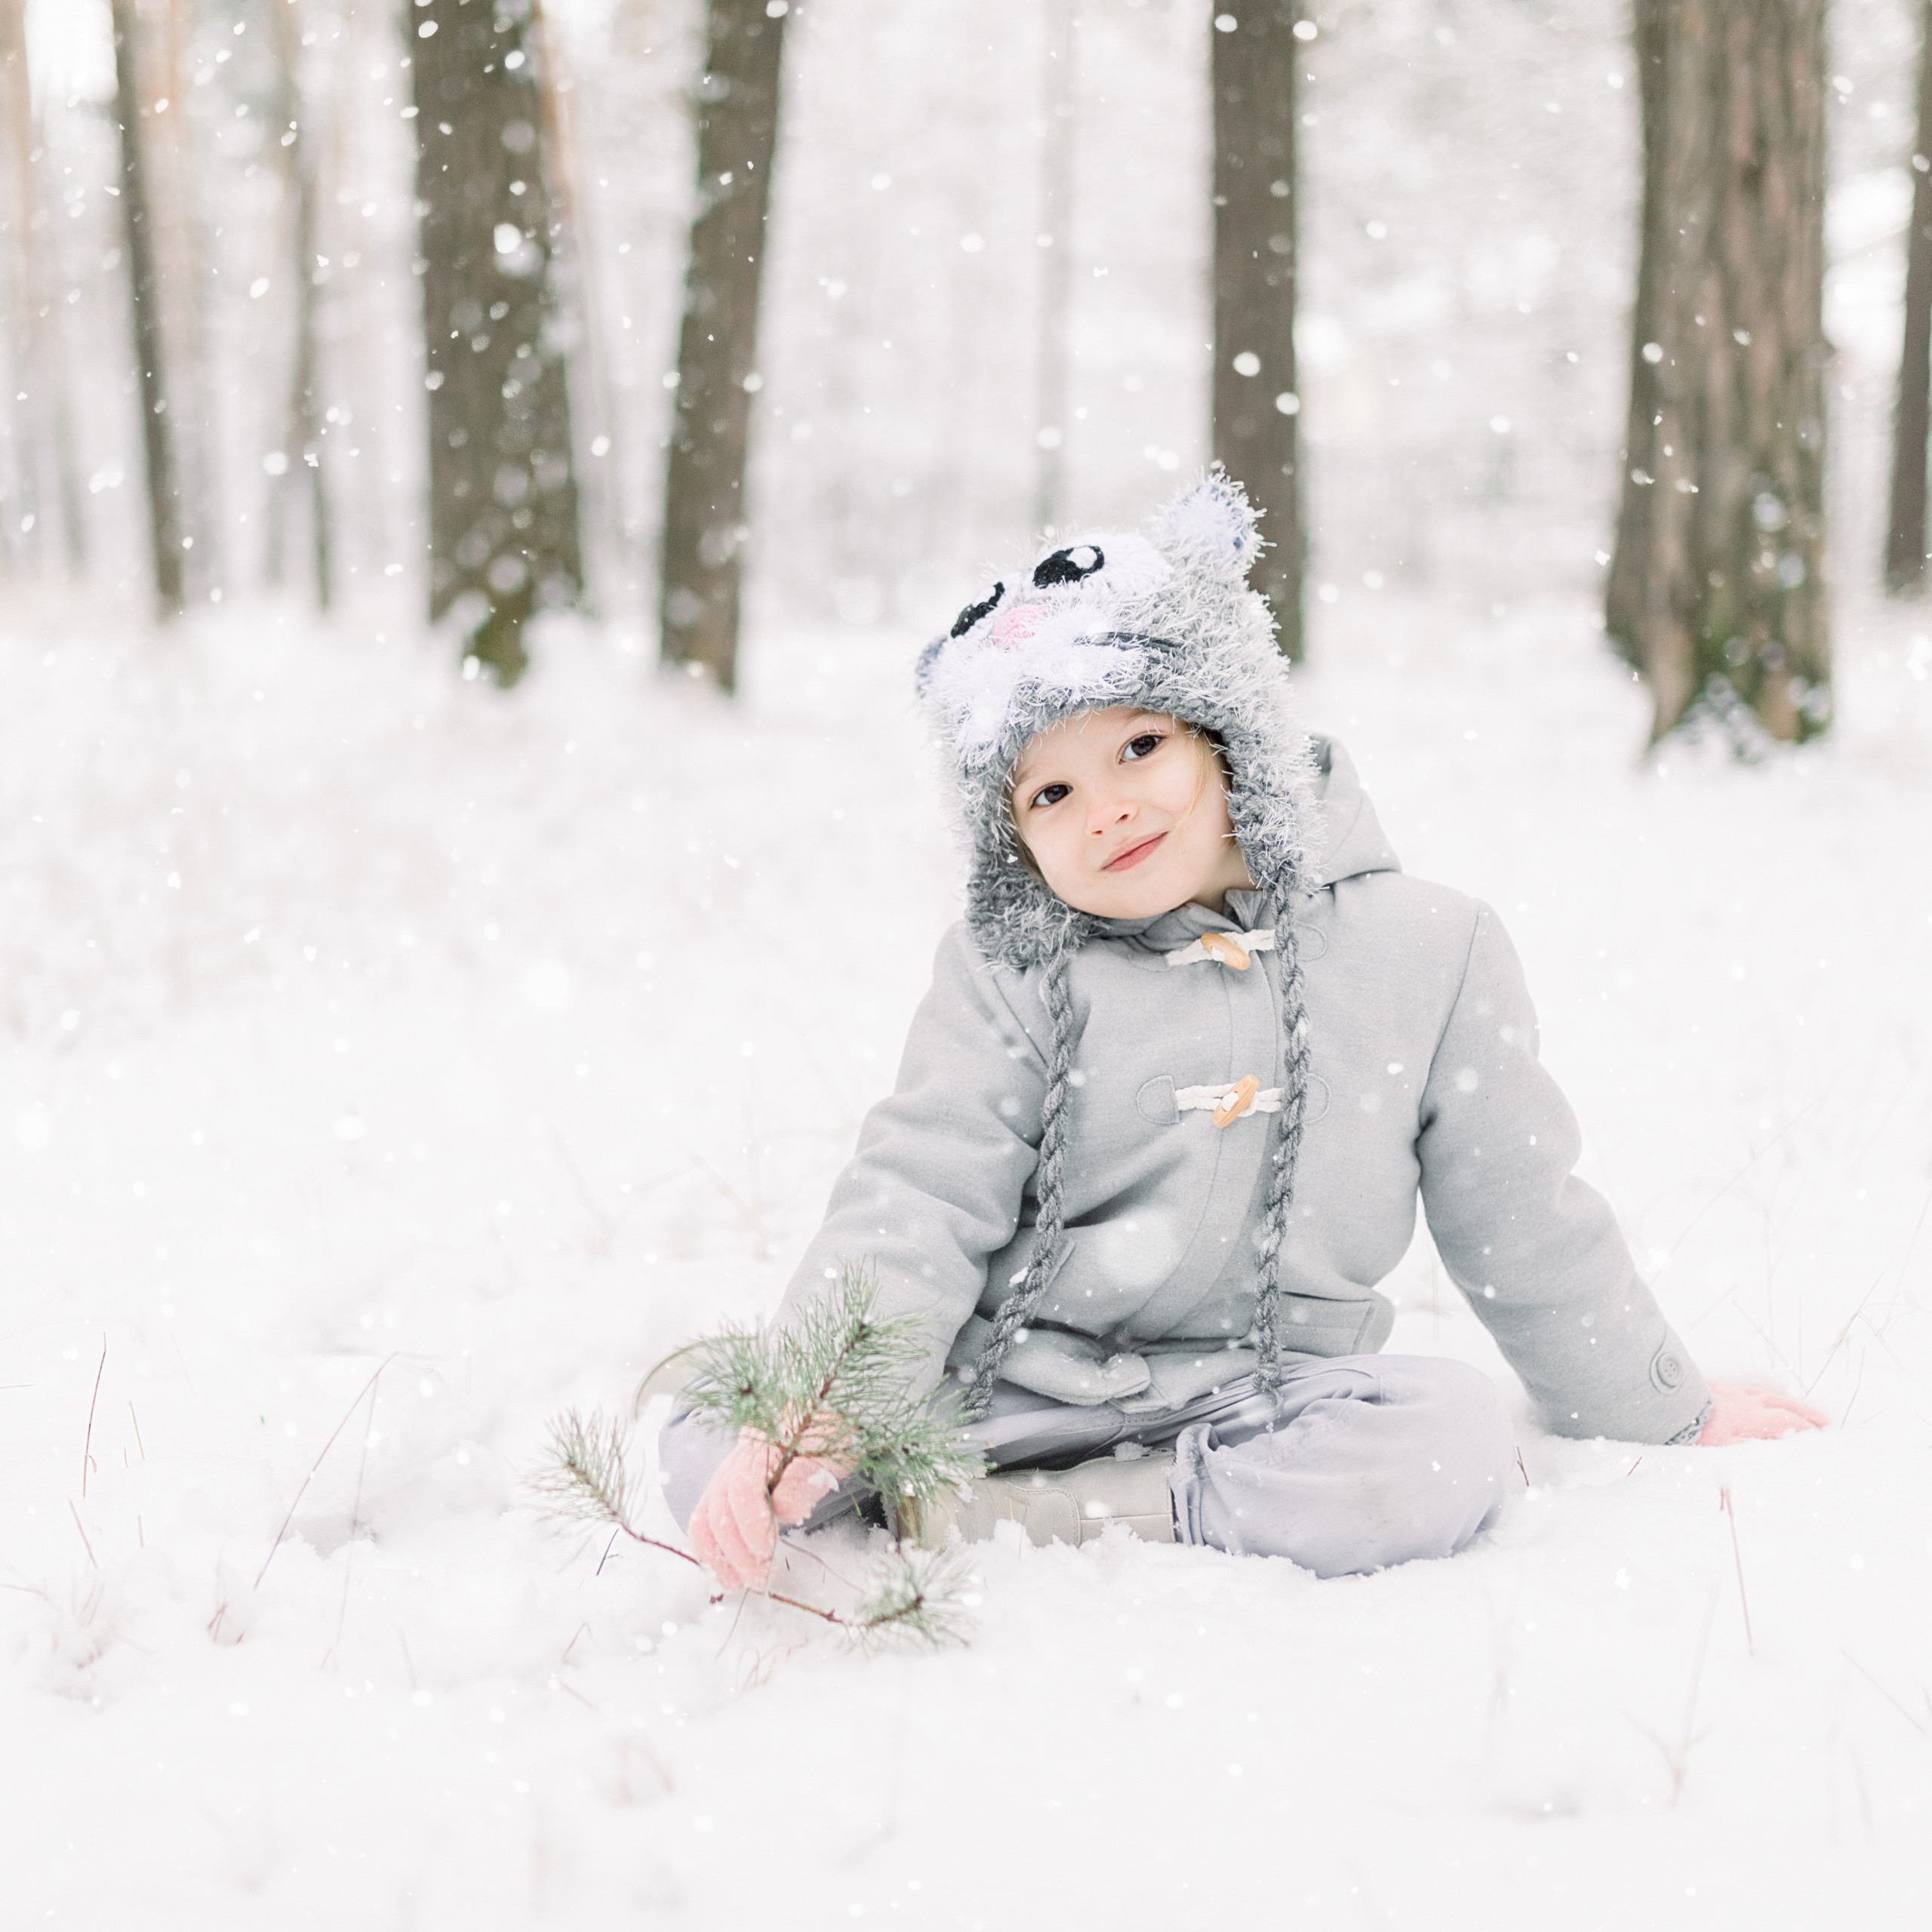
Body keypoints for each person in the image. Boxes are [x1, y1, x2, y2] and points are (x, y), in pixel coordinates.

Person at [657, 473, 1823, 1588]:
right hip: (1000, 1388)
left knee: (1448, 1441)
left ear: (1231, 735)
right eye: (1050, 794)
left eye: (1140, 747)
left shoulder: (1429, 951)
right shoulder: (1011, 970)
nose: (1107, 809)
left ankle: (1046, 1516)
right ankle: (920, 1478)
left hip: (1256, 1406)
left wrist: (1661, 1410)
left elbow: (1525, 1218)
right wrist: (819, 1411)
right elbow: (918, 1192)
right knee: (708, 1434)